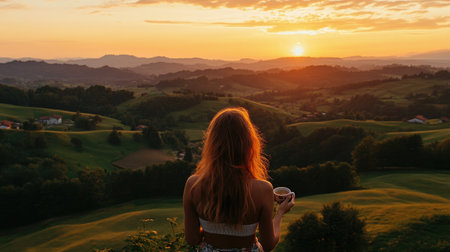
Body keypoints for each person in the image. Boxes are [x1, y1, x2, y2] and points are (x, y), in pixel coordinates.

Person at [183, 107, 295, 252]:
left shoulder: (193, 185)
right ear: (249, 144)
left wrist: (214, 227)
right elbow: (268, 245)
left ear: (212, 144)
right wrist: (280, 213)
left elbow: (192, 239)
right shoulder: (263, 189)